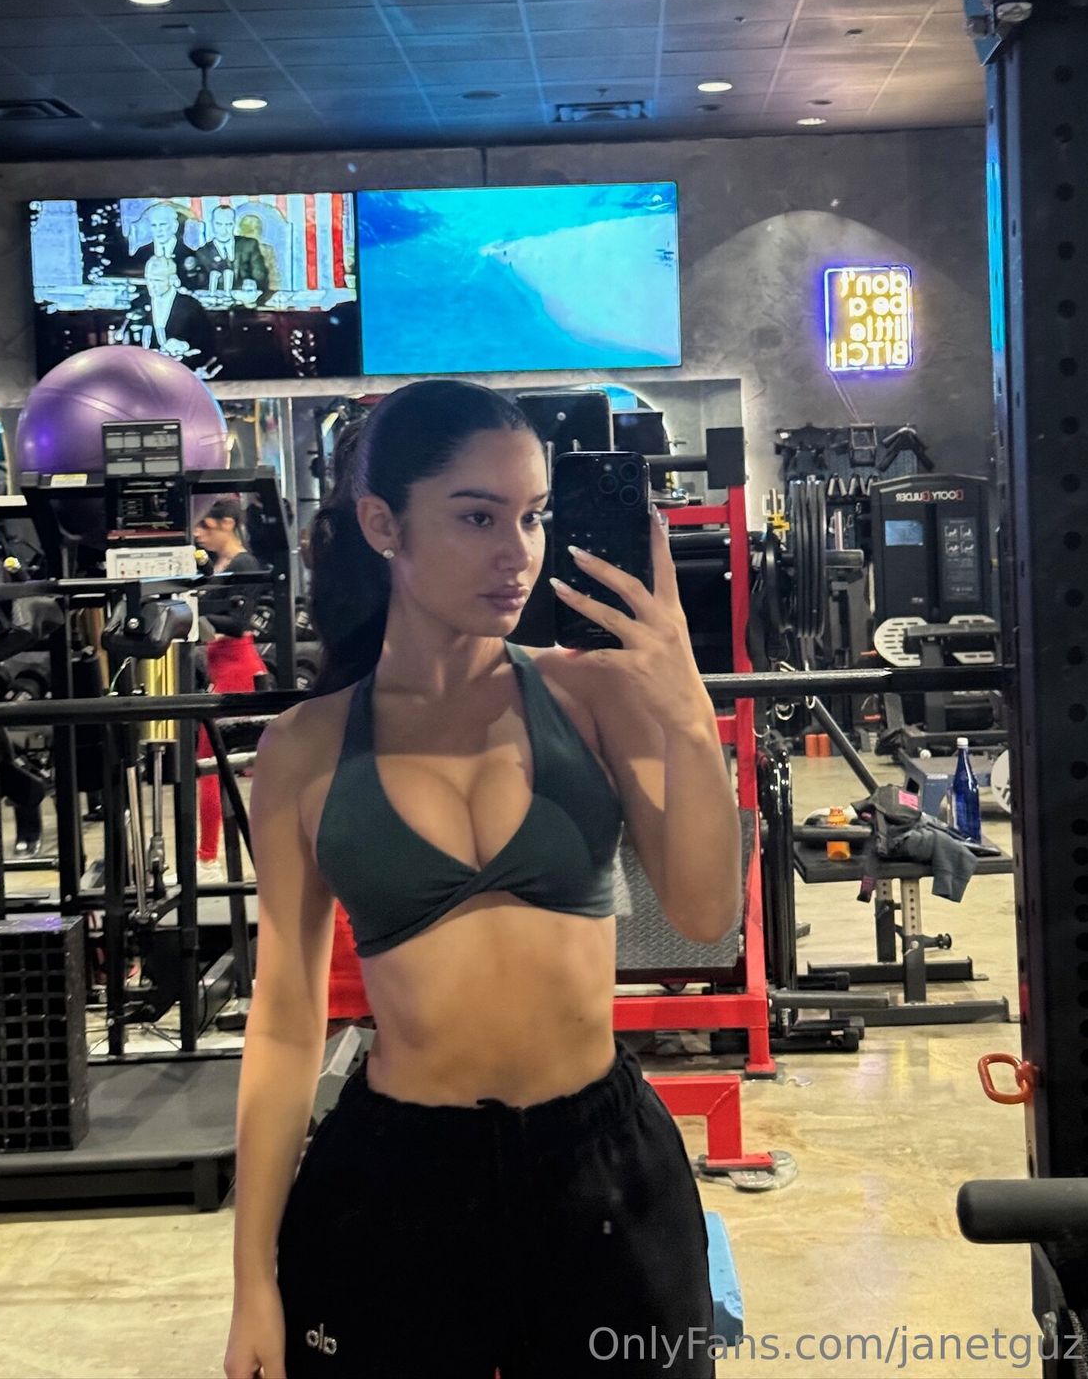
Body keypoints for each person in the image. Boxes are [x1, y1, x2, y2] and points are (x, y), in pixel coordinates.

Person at [224, 379, 742, 1379]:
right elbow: (285, 1021)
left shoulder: (594, 695)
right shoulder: (305, 748)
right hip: (400, 1179)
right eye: (477, 517)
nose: (519, 552)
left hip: (602, 1168)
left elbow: (705, 911)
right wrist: (253, 1278)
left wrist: (688, 717)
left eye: (534, 516)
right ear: (384, 523)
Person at [195, 498, 268, 883]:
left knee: (211, 762)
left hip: (237, 665)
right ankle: (207, 857)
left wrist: (194, 613)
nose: (198, 533)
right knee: (209, 764)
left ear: (227, 523)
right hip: (217, 660)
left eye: (205, 526)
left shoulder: (244, 564)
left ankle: (207, 859)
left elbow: (238, 622)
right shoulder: (213, 564)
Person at [189, 204, 269, 302]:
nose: (223, 231)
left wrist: (253, 283)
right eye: (219, 224)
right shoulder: (202, 252)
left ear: (234, 224)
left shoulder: (249, 245)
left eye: (228, 224)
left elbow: (261, 277)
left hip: (245, 304)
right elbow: (200, 284)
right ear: (212, 223)